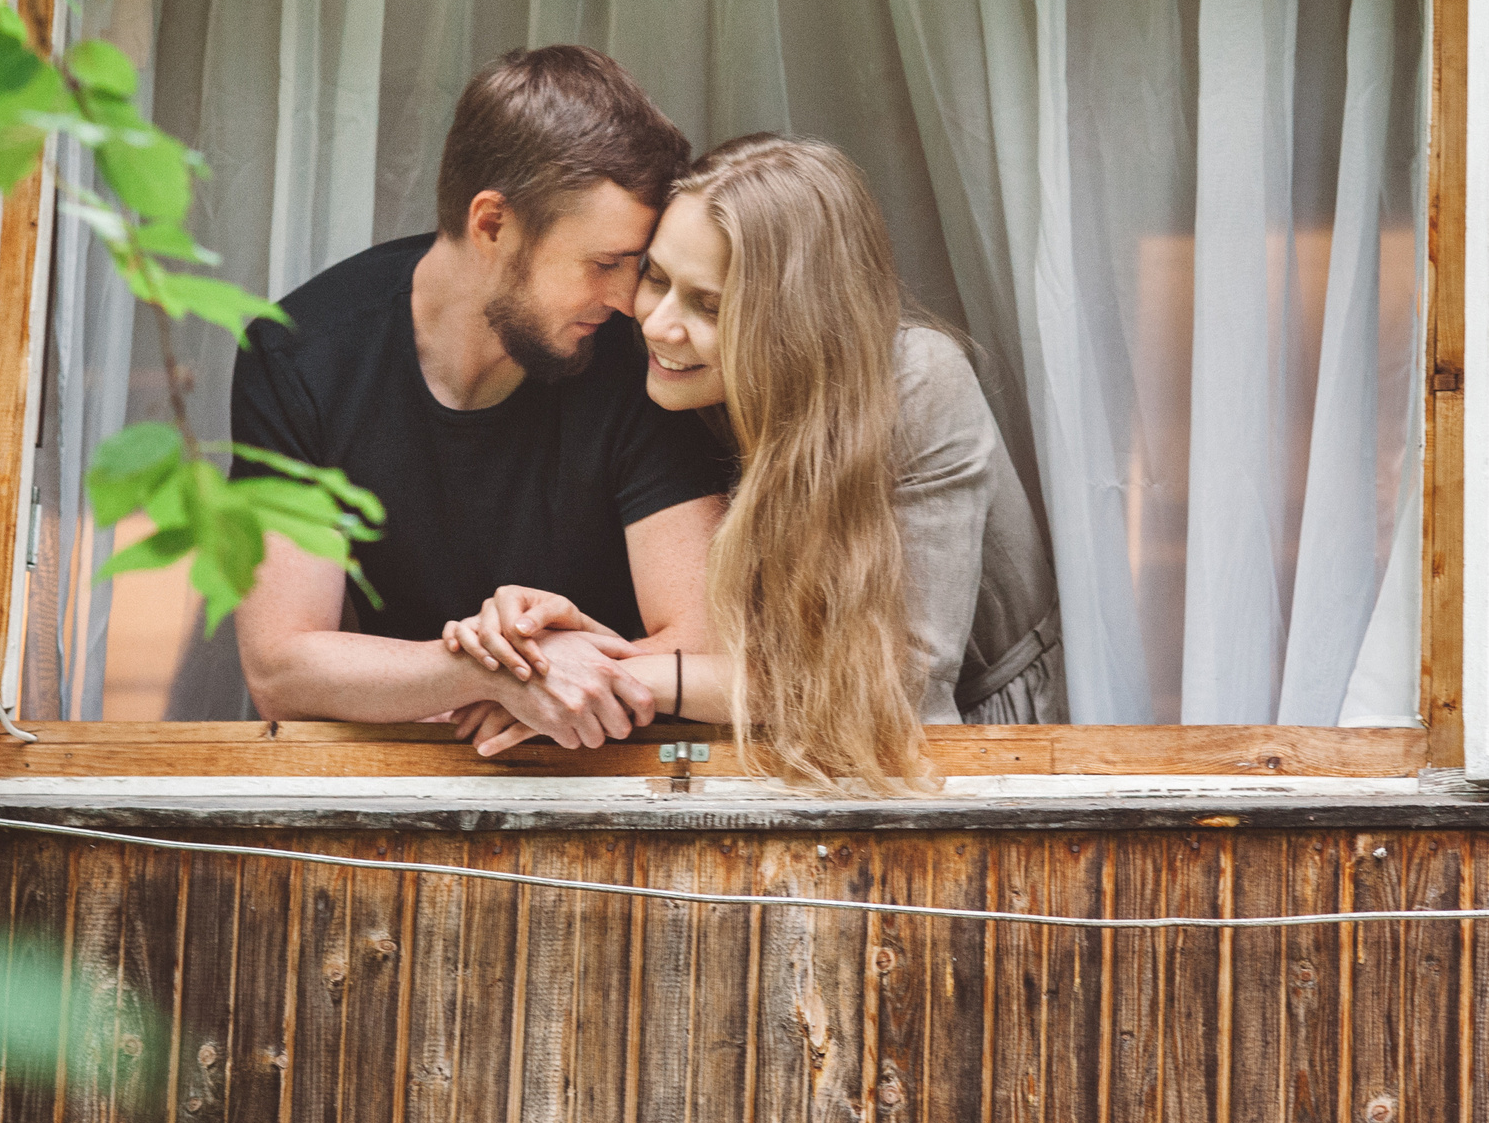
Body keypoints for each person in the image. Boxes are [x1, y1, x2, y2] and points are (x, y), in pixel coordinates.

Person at [446, 133, 1067, 790]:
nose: (656, 324)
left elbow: (893, 688)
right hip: (772, 732)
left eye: (710, 305)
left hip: (968, 739)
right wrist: (552, 661)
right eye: (656, 277)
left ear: (796, 319)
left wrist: (605, 672)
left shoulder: (917, 385)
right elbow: (752, 653)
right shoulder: (678, 375)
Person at [231, 46, 733, 749]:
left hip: (613, 767)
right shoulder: (302, 356)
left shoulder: (639, 358)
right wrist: (492, 673)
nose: (632, 302)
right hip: (398, 775)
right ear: (493, 224)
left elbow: (702, 647)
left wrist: (525, 681)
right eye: (604, 264)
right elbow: (281, 669)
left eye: (637, 266)